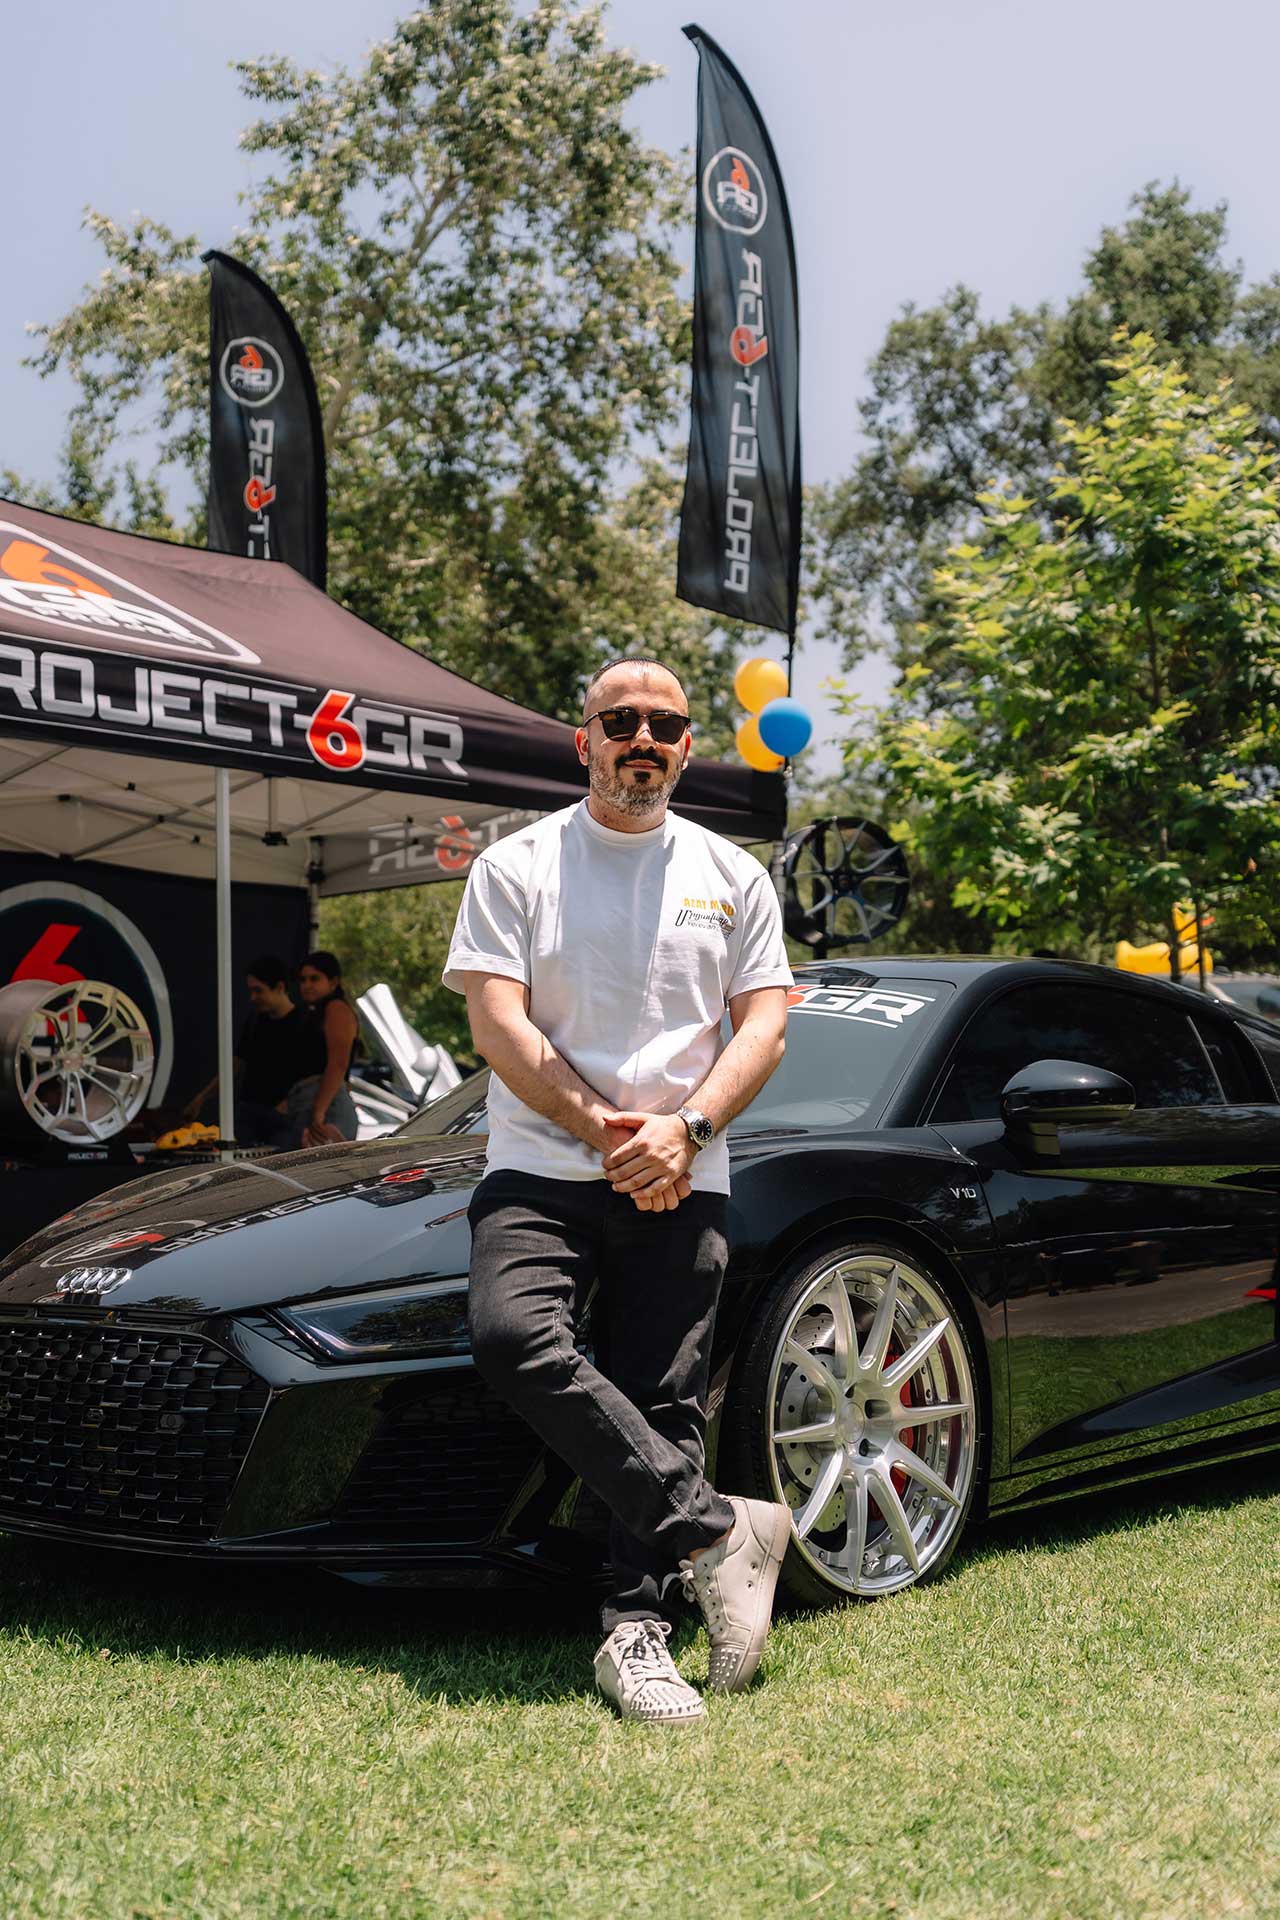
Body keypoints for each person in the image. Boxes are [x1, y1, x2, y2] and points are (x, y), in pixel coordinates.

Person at [444, 656, 793, 1727]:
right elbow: (496, 1020)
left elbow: (765, 1026)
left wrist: (686, 1131)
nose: (643, 738)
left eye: (664, 724)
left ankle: (635, 1635)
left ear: (687, 748)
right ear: (583, 740)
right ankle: (719, 1531)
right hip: (540, 1167)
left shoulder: (734, 874)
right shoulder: (515, 865)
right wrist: (604, 1131)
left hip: (685, 1173)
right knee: (512, 1339)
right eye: (621, 720)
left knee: (662, 1399)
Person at [183, 953, 303, 1147]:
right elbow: (235, 1064)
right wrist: (202, 1097)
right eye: (251, 990)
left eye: (259, 990)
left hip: (283, 1120)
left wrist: (288, 1104)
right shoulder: (255, 1021)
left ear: (280, 987)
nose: (253, 998)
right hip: (248, 1113)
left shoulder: (303, 1023)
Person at [287, 950, 360, 1147]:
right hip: (313, 1103)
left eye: (314, 979)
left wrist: (318, 1112)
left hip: (327, 1106)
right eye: (303, 980)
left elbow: (338, 1063)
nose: (306, 985)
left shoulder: (336, 1008)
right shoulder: (313, 1011)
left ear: (333, 981)